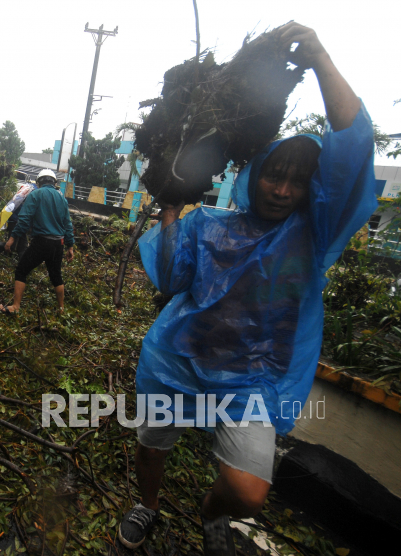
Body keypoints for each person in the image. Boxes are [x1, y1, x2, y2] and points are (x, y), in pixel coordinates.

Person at [117, 23, 377, 556]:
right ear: (253, 172)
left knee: (247, 491)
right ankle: (147, 505)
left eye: (297, 181)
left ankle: (212, 513)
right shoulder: (208, 224)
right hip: (176, 360)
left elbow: (352, 149)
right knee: (151, 446)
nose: (283, 189)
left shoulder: (312, 233)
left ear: (310, 189)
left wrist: (321, 57)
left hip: (253, 382)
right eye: (273, 175)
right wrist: (170, 213)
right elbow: (170, 280)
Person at [0, 169, 75, 315]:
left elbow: (24, 220)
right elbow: (68, 224)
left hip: (41, 242)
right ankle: (61, 309)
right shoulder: (62, 199)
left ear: (39, 182)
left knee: (21, 270)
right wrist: (70, 246)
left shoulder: (35, 194)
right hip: (58, 244)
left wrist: (12, 239)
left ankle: (15, 307)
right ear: (54, 183)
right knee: (56, 275)